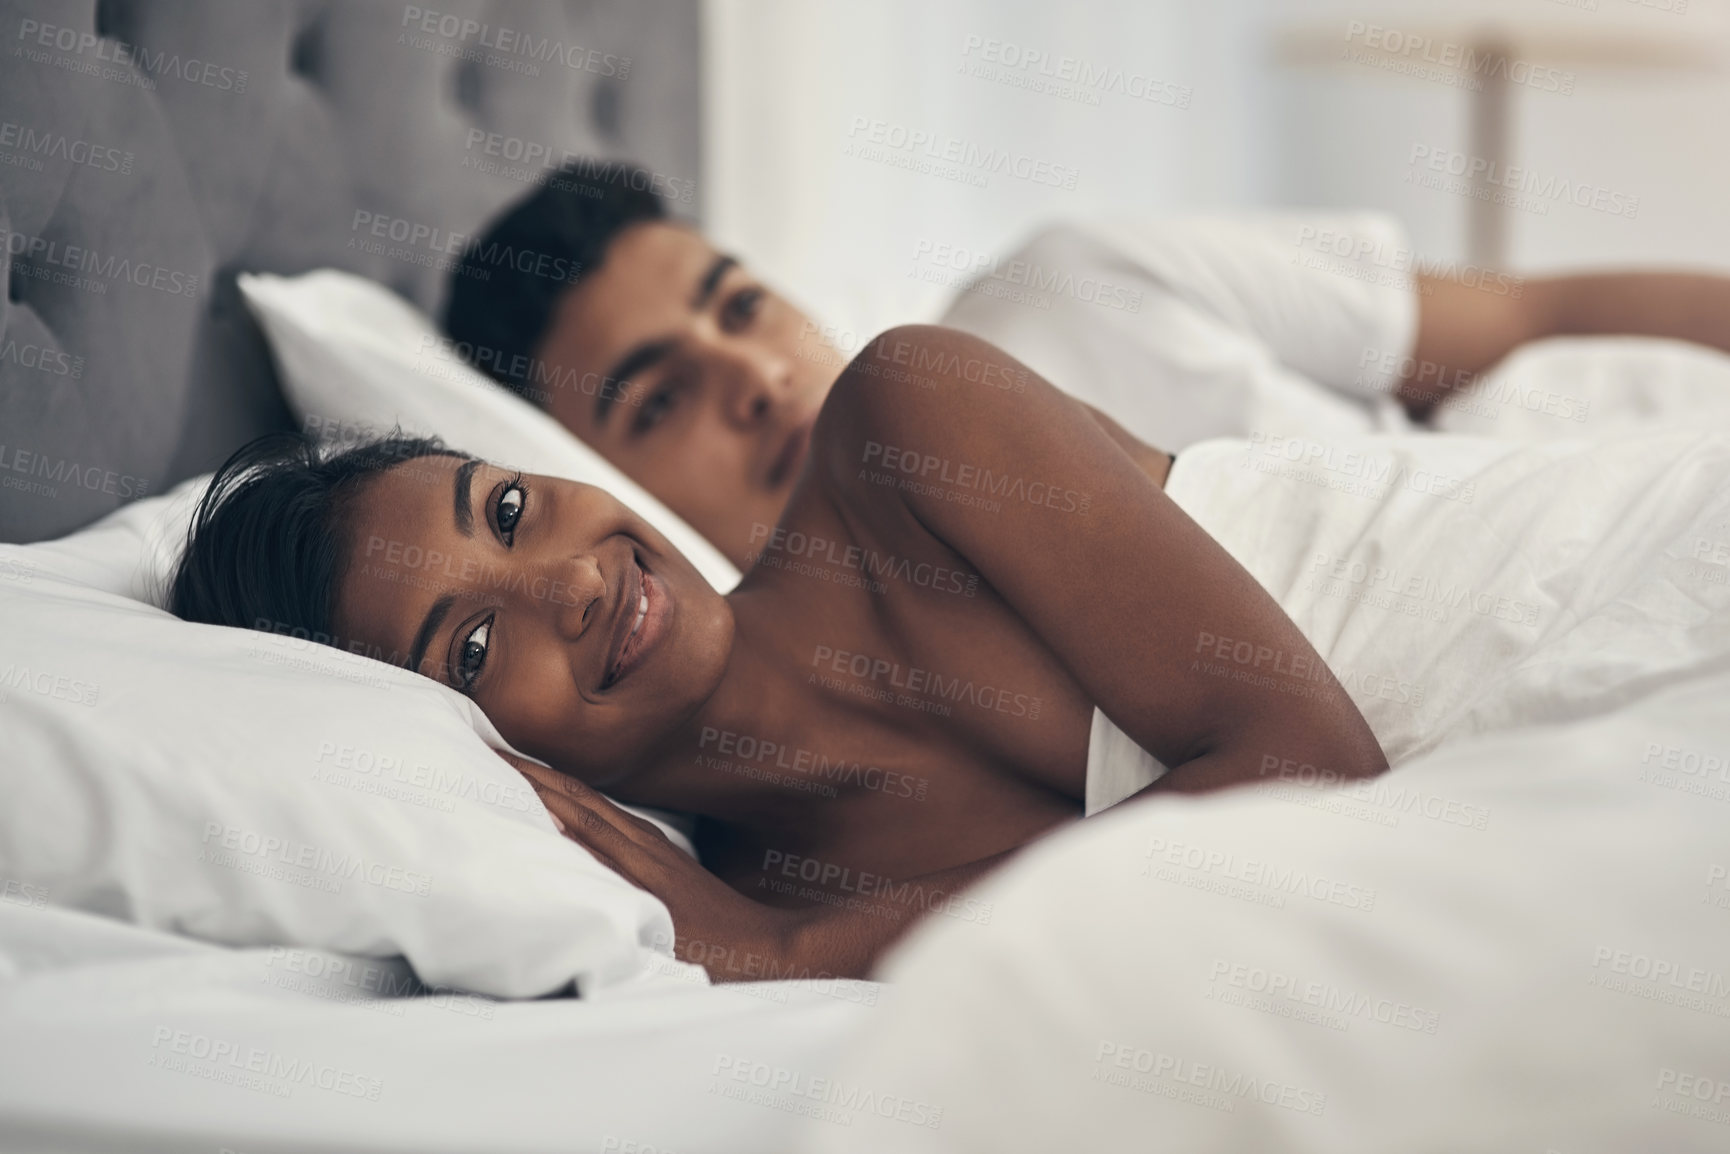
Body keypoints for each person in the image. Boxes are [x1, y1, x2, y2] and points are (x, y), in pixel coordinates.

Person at [170, 324, 1388, 982]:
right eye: (476, 644)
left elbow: (1320, 774)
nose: (574, 579)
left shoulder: (908, 427)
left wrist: (797, 952)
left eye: (503, 509)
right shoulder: (745, 906)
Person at [444, 161, 1730, 571]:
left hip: (1576, 456)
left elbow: (1526, 313)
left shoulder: (1068, 281)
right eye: (659, 398)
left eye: (741, 305)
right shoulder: (809, 721)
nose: (753, 375)